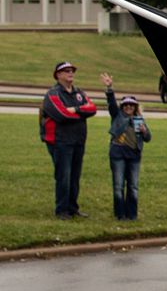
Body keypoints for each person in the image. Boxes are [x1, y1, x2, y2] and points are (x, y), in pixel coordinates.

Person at [39, 60, 98, 219]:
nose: (70, 73)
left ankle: (73, 208)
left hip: (78, 140)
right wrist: (80, 113)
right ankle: (62, 210)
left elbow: (92, 109)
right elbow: (61, 114)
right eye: (66, 71)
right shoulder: (53, 94)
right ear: (58, 75)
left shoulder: (79, 93)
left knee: (74, 176)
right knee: (63, 176)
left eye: (72, 70)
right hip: (60, 141)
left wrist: (76, 109)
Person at [99, 74, 151, 220]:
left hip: (134, 156)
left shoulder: (139, 119)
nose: (129, 107)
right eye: (126, 105)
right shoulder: (117, 116)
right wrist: (109, 87)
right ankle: (120, 214)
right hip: (118, 155)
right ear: (122, 107)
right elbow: (111, 103)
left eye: (132, 105)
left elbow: (148, 138)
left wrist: (144, 131)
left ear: (135, 107)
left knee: (133, 187)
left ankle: (132, 214)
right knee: (118, 186)